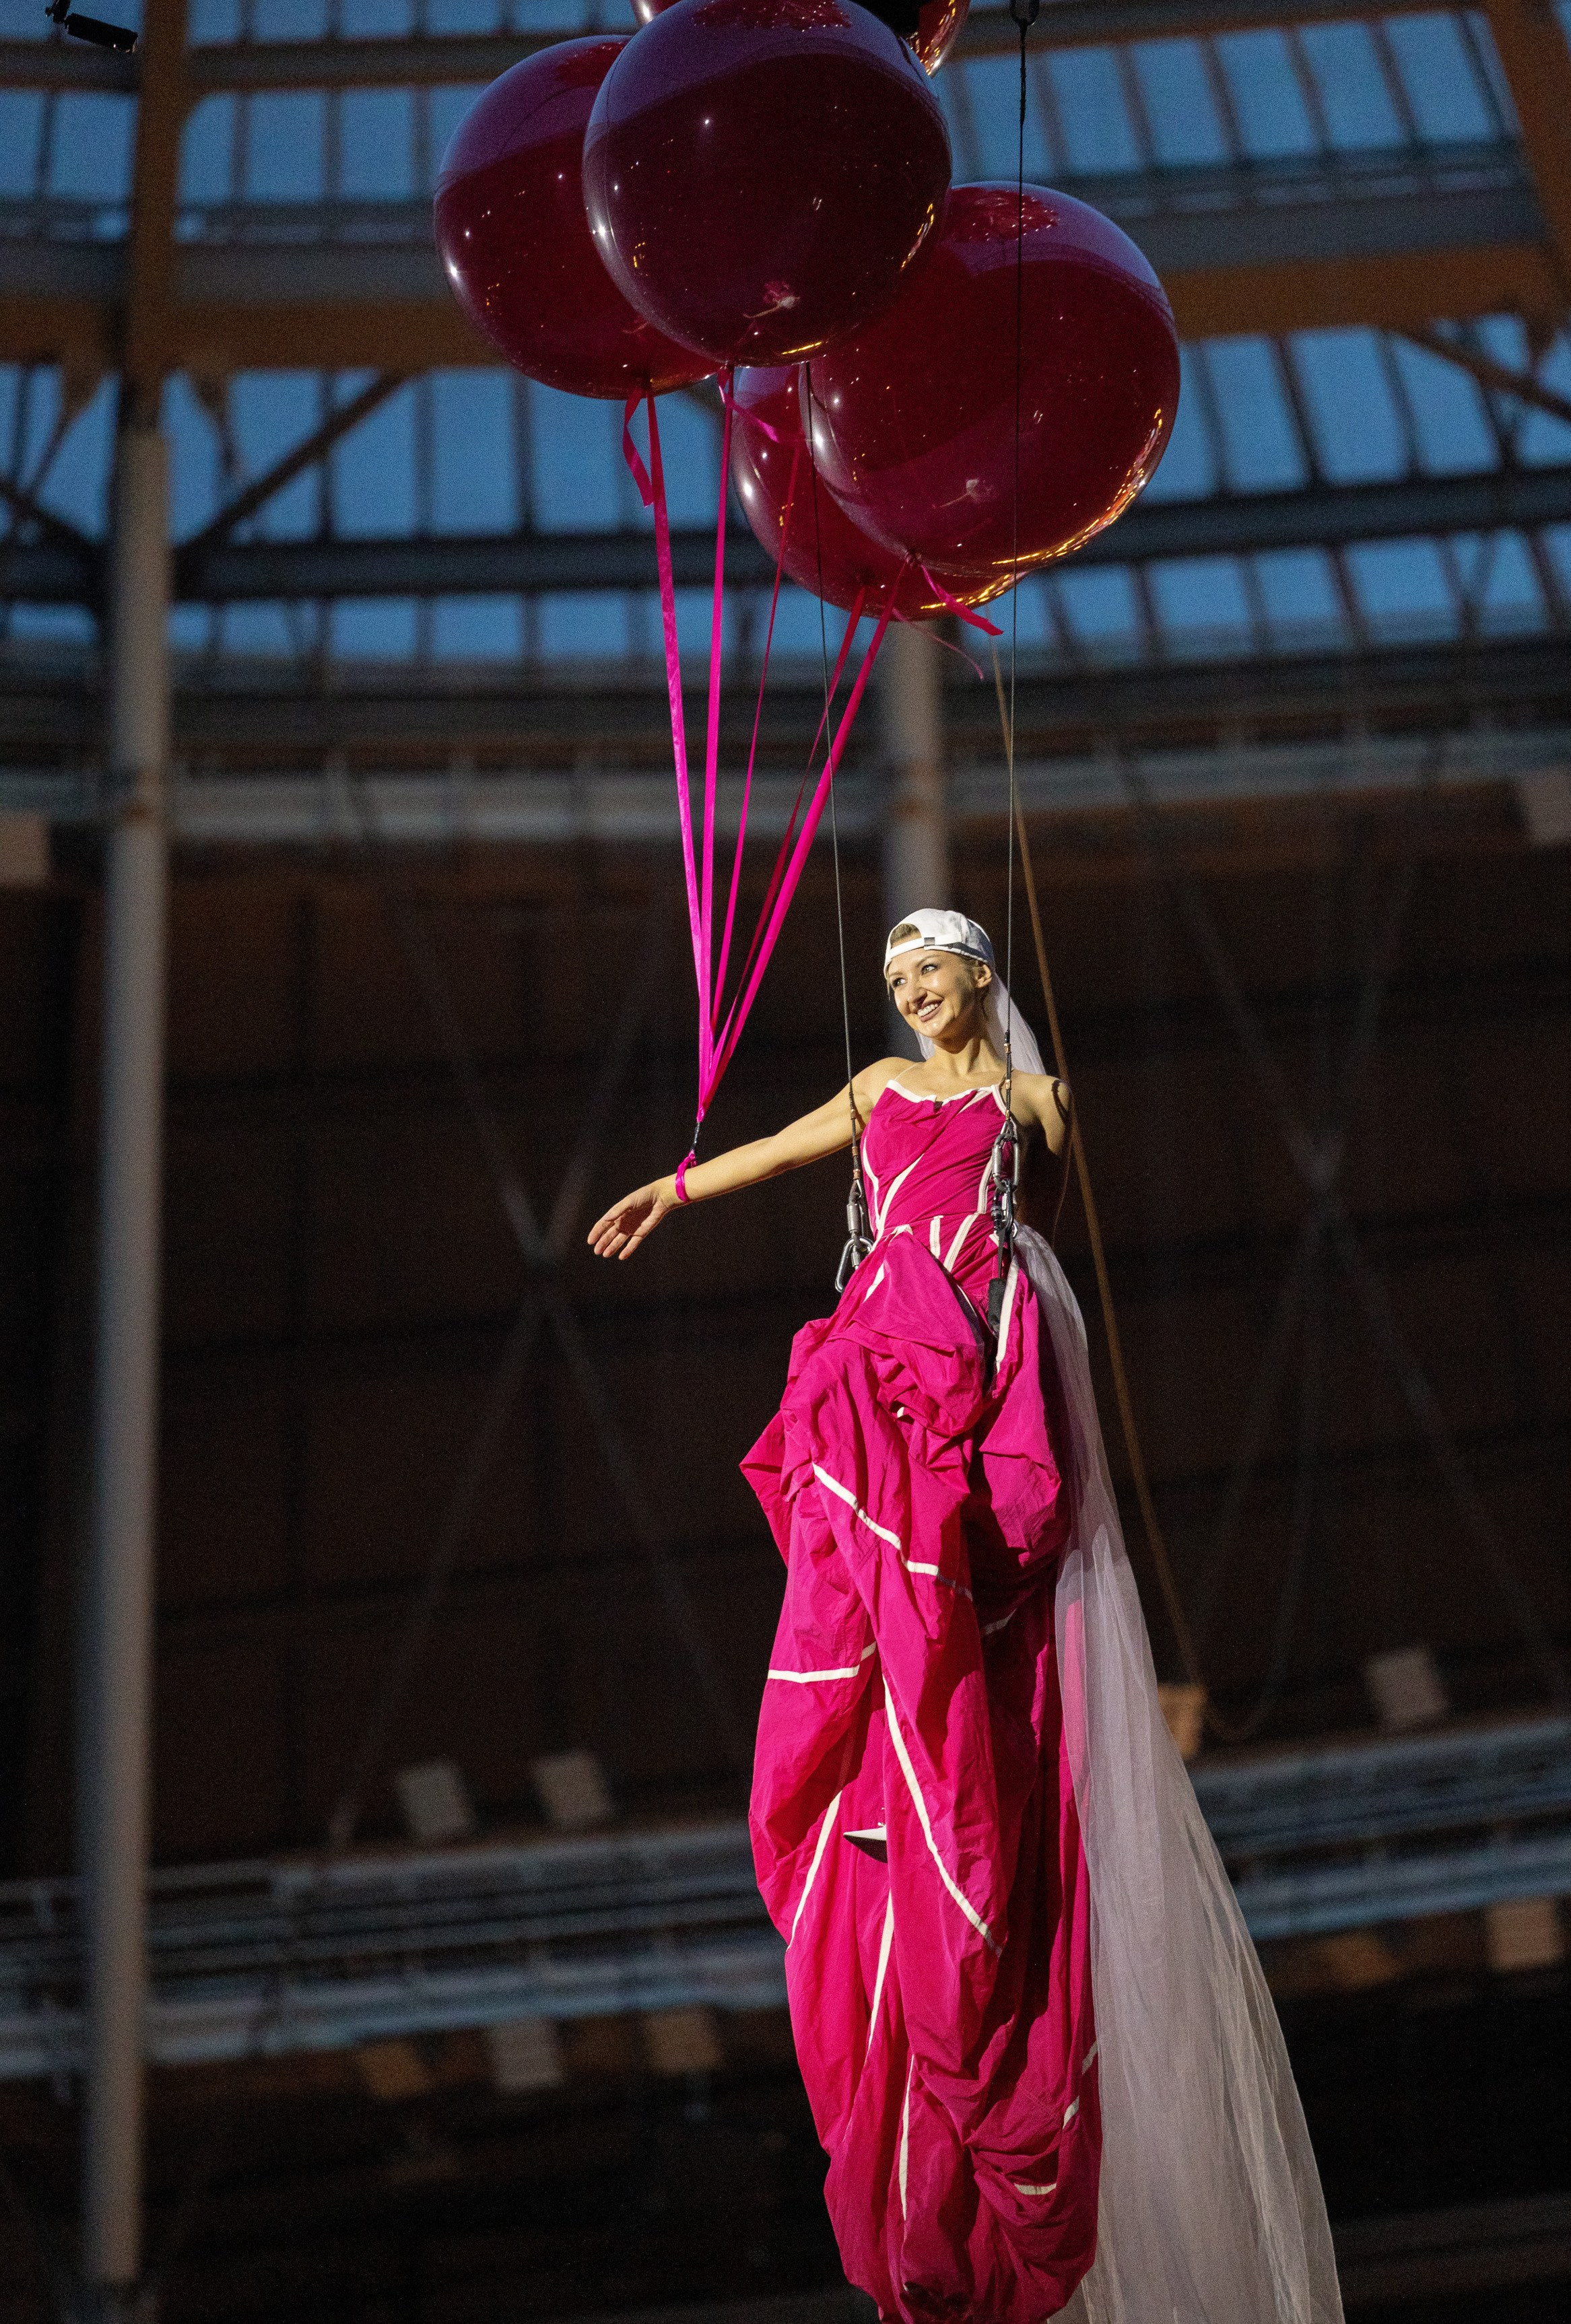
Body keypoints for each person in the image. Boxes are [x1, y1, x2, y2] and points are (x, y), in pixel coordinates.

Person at [590, 910, 1343, 2324]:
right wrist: (669, 1189)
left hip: (979, 1348)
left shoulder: (1025, 1101)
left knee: (972, 1567)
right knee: (868, 1564)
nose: (907, 990)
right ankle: (901, 1739)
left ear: (979, 973)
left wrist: (1023, 1195)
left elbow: (1040, 1208)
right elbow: (780, 1153)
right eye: (890, 978)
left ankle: (967, 1708)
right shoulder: (881, 1093)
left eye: (924, 968)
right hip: (887, 1343)